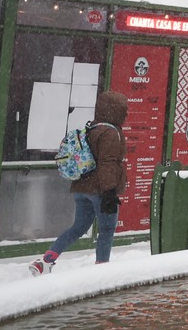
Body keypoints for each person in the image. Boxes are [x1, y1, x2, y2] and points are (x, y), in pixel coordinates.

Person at [29, 91, 128, 274]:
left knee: (78, 227)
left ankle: (46, 260)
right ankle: (101, 270)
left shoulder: (93, 127)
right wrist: (109, 192)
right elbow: (108, 163)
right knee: (106, 229)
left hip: (82, 187)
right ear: (118, 111)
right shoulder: (111, 133)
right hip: (100, 189)